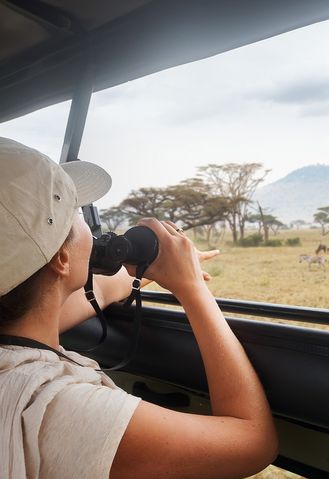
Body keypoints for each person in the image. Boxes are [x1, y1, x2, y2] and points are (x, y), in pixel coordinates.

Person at [0, 137, 278, 479]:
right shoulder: (55, 408)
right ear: (61, 257)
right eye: (75, 214)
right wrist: (191, 288)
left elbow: (94, 292)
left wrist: (154, 269)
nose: (89, 226)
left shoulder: (16, 335)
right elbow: (254, 443)